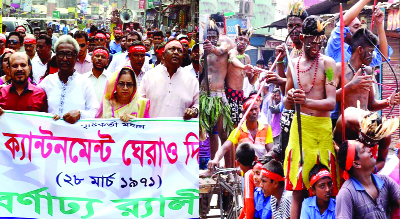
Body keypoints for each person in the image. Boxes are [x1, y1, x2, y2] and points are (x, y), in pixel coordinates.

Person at [283, 15, 338, 219]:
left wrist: (305, 101)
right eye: (311, 41)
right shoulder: (293, 65)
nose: (315, 45)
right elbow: (286, 103)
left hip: (322, 131)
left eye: (319, 41)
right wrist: (290, 97)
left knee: (327, 186)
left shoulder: (330, 65)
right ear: (303, 38)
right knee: (298, 189)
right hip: (300, 129)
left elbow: (331, 103)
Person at [331, 28, 400, 128]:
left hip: (365, 127)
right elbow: (330, 99)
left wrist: (389, 101)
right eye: (371, 51)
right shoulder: (338, 68)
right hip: (346, 128)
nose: (372, 56)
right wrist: (351, 86)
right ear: (360, 50)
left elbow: (371, 105)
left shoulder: (367, 71)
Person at [273, 0, 308, 162]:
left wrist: (280, 79)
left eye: (298, 25)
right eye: (290, 25)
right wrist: (279, 60)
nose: (293, 29)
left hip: (306, 113)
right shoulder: (292, 52)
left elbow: (303, 85)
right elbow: (284, 91)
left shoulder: (310, 50)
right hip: (290, 112)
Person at [38, 35, 99, 124]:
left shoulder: (85, 83)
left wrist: (80, 114)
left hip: (76, 136)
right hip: (50, 135)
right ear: (56, 57)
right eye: (61, 54)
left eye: (69, 55)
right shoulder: (46, 82)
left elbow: (95, 111)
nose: (65, 58)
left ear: (76, 57)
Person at [336, 140, 400, 218]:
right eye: (364, 149)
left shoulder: (385, 181)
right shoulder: (347, 193)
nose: (369, 149)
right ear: (356, 164)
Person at [200, 20, 234, 168]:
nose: (212, 38)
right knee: (209, 133)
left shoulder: (224, 46)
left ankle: (229, 168)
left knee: (224, 134)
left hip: (218, 96)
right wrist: (201, 56)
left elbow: (222, 50)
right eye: (209, 36)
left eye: (214, 36)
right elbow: (200, 72)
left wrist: (212, 48)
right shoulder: (202, 51)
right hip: (203, 96)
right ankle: (212, 165)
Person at [207, 96, 274, 170]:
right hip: (244, 172)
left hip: (261, 171)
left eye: (256, 109)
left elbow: (270, 150)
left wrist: (261, 162)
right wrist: (216, 159)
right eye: (251, 110)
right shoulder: (238, 131)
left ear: (259, 110)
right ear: (244, 112)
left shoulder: (267, 128)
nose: (254, 112)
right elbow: (224, 148)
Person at [138, 40, 199, 119]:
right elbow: (139, 102)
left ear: (183, 56)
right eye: (172, 49)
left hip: (181, 130)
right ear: (163, 55)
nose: (176, 52)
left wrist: (193, 111)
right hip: (153, 129)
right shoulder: (149, 76)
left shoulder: (191, 80)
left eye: (179, 51)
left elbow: (198, 104)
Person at [325, 0, 391, 67]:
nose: (360, 30)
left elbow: (382, 57)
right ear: (344, 30)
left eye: (360, 26)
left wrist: (379, 24)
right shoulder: (335, 46)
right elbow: (343, 22)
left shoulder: (361, 51)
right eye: (356, 27)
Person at [333, 107, 399, 172]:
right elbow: (336, 141)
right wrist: (343, 155)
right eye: (365, 140)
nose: (367, 146)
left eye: (372, 144)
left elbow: (381, 160)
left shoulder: (385, 135)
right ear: (359, 130)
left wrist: (369, 171)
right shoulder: (346, 122)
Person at [226, 27, 258, 126]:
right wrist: (244, 67)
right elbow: (233, 59)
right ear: (236, 40)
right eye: (240, 39)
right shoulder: (233, 52)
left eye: (245, 40)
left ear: (248, 44)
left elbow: (251, 81)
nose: (242, 42)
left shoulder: (247, 58)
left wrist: (256, 74)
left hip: (240, 96)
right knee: (231, 126)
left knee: (239, 125)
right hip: (229, 95)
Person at [236, 142, 256, 219]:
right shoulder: (257, 170)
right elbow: (245, 207)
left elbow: (250, 208)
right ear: (256, 158)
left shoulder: (248, 175)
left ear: (237, 162)